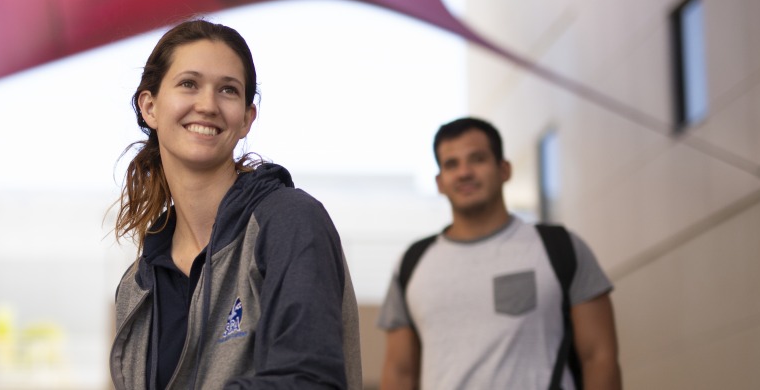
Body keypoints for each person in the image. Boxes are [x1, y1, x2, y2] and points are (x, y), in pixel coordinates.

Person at [109, 19, 362, 389]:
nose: (208, 105)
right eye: (188, 84)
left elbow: (309, 380)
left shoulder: (289, 221)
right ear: (149, 107)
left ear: (246, 118)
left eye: (228, 90)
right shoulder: (137, 286)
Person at [378, 117, 621, 390]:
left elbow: (599, 357)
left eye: (477, 159)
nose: (464, 172)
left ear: (504, 169)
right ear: (439, 182)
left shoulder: (561, 248)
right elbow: (400, 372)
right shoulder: (412, 264)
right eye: (451, 164)